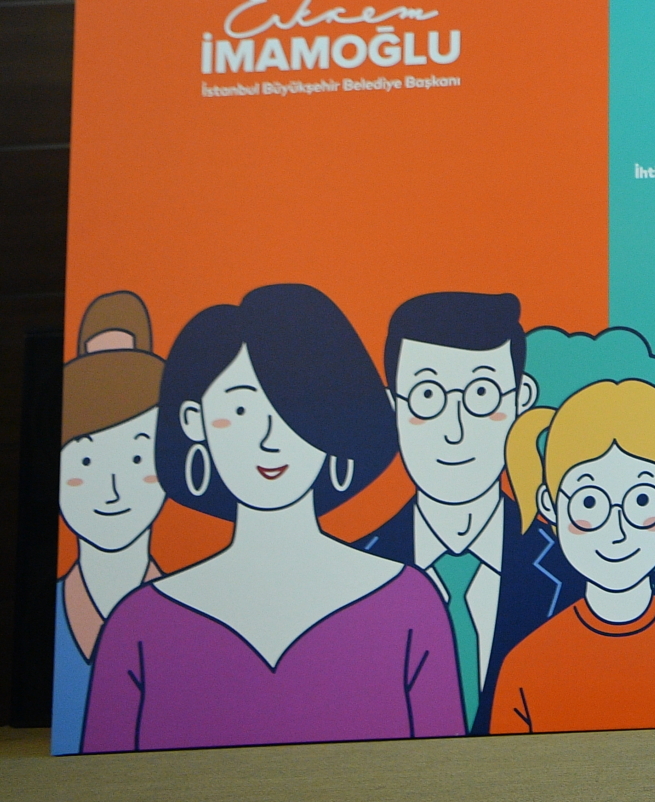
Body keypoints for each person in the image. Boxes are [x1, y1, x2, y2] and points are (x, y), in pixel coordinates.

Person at [84, 284, 465, 751]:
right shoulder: (139, 625)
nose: (270, 438)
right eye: (241, 408)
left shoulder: (409, 603)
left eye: (295, 407)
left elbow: (448, 766)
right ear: (193, 421)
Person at [357, 292, 573, 733]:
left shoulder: (572, 568)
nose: (454, 431)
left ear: (521, 399)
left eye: (481, 394)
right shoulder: (355, 573)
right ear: (392, 407)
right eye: (427, 396)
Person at [488, 379, 655, 734]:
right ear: (549, 505)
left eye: (642, 500)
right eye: (589, 503)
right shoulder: (526, 663)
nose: (617, 531)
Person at [54, 335, 168, 753]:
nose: (113, 490)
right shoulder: (52, 616)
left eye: (137, 459)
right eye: (86, 461)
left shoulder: (191, 612)